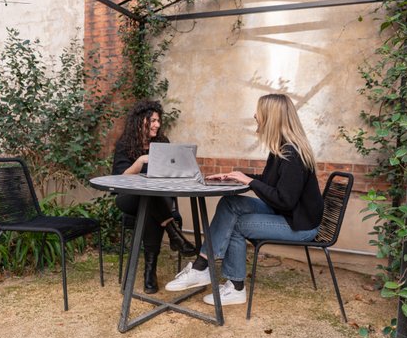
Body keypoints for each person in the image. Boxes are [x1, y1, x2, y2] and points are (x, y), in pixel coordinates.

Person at [165, 93, 324, 306]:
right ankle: (205, 269)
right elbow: (269, 182)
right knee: (230, 203)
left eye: (259, 112)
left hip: (300, 225)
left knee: (236, 224)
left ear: (271, 116)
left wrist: (249, 181)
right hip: (286, 214)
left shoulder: (292, 153)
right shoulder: (281, 149)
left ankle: (228, 282)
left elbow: (285, 200)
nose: (255, 115)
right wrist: (236, 176)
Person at [112, 100, 196, 294]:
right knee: (148, 196)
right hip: (128, 198)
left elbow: (170, 171)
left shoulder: (162, 143)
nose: (157, 125)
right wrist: (140, 161)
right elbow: (118, 179)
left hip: (157, 200)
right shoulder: (125, 144)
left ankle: (150, 273)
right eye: (153, 120)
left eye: (159, 121)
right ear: (141, 120)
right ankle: (173, 233)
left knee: (150, 202)